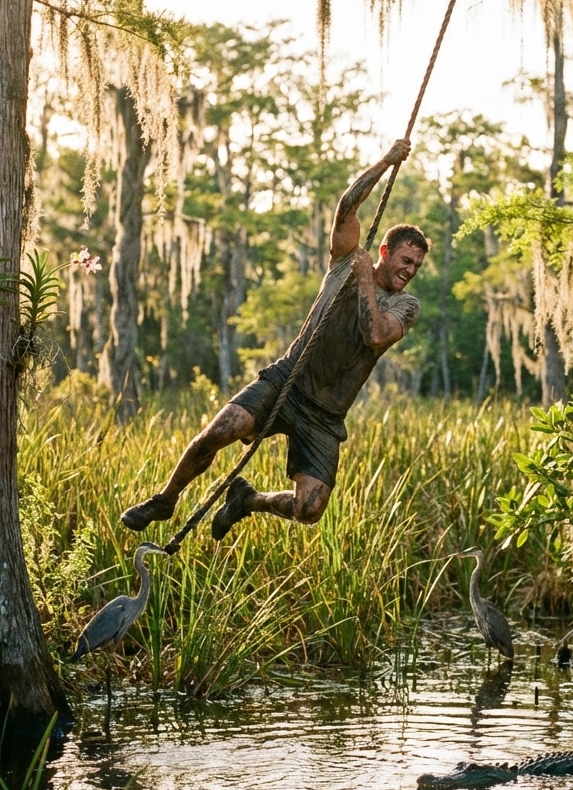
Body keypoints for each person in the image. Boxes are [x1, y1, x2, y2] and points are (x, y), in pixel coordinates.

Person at [120, 137, 430, 538]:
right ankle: (165, 499)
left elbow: (374, 335)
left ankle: (248, 500)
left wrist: (366, 279)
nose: (410, 271)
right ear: (385, 251)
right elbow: (347, 207)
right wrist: (386, 161)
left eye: (417, 266)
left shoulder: (406, 305)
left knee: (309, 509)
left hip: (326, 415)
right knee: (220, 431)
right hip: (288, 379)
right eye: (406, 260)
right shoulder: (344, 261)